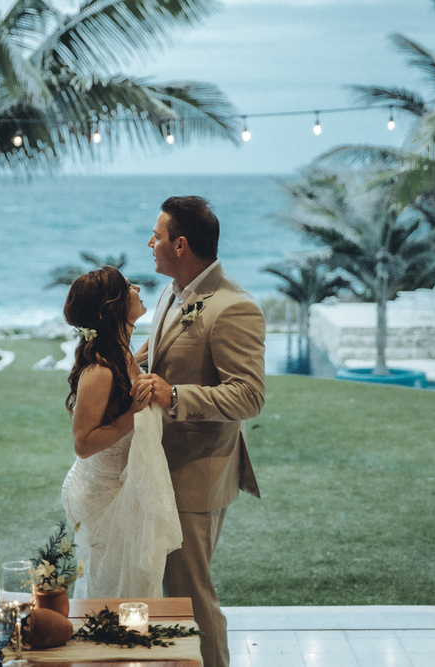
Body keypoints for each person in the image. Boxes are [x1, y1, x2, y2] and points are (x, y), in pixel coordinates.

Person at [133, 196, 265, 667]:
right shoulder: (172, 291)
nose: (150, 243)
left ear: (181, 244)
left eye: (157, 235)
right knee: (169, 593)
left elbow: (249, 395)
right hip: (159, 465)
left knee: (191, 597)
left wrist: (174, 397)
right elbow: (156, 352)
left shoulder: (234, 307)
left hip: (197, 475)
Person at [60, 266, 182, 599]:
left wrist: (142, 356)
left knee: (132, 590)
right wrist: (133, 415)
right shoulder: (100, 370)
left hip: (125, 491)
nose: (138, 288)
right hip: (107, 500)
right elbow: (83, 444)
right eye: (128, 286)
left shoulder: (122, 355)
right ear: (110, 308)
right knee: (111, 594)